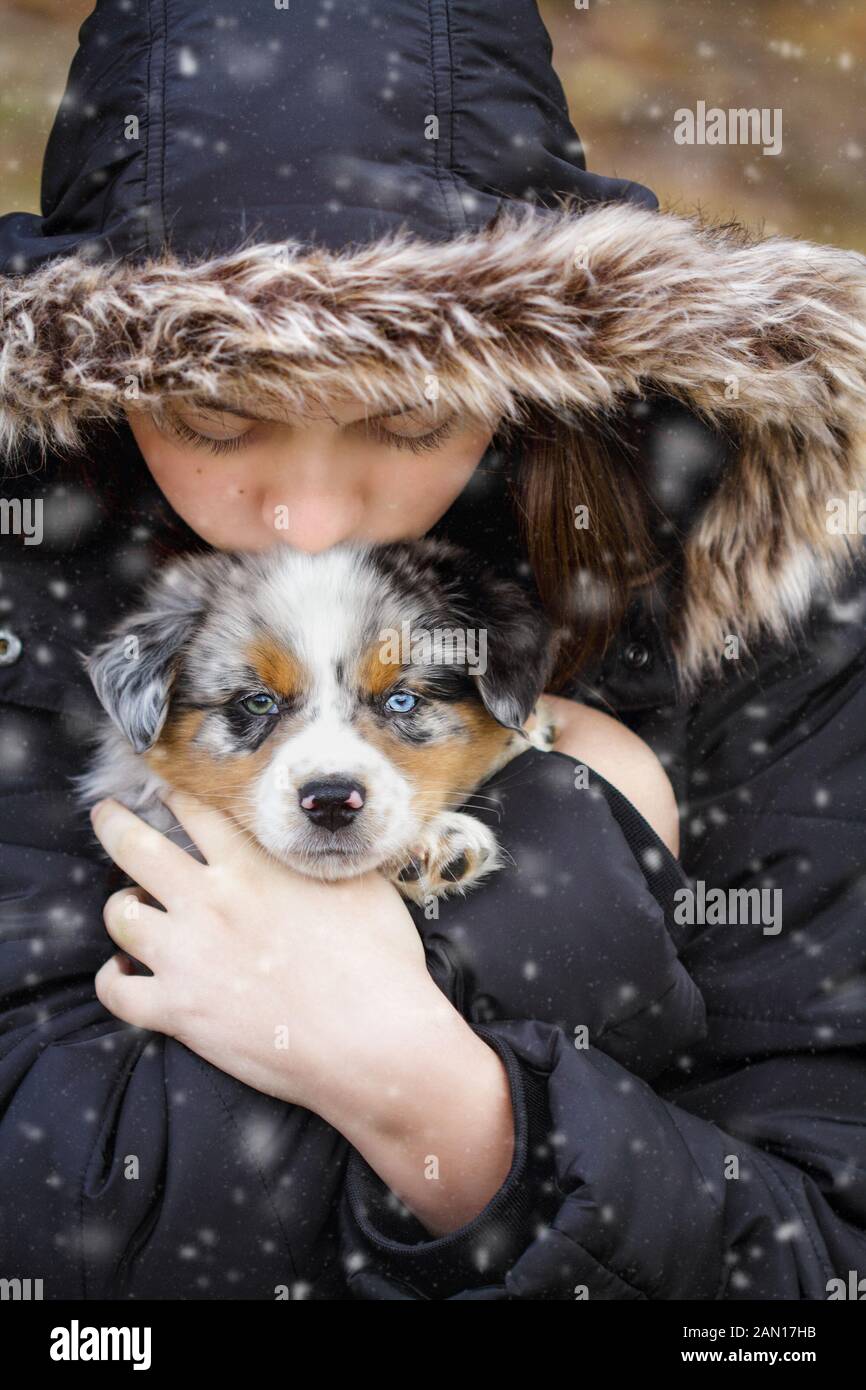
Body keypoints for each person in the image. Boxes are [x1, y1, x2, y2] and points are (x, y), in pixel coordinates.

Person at [0, 0, 864, 1301]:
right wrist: (568, 854)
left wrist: (448, 1108)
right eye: (216, 417)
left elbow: (814, 1271)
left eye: (403, 422)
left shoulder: (750, 581)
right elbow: (48, 1216)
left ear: (532, 367)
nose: (304, 518)